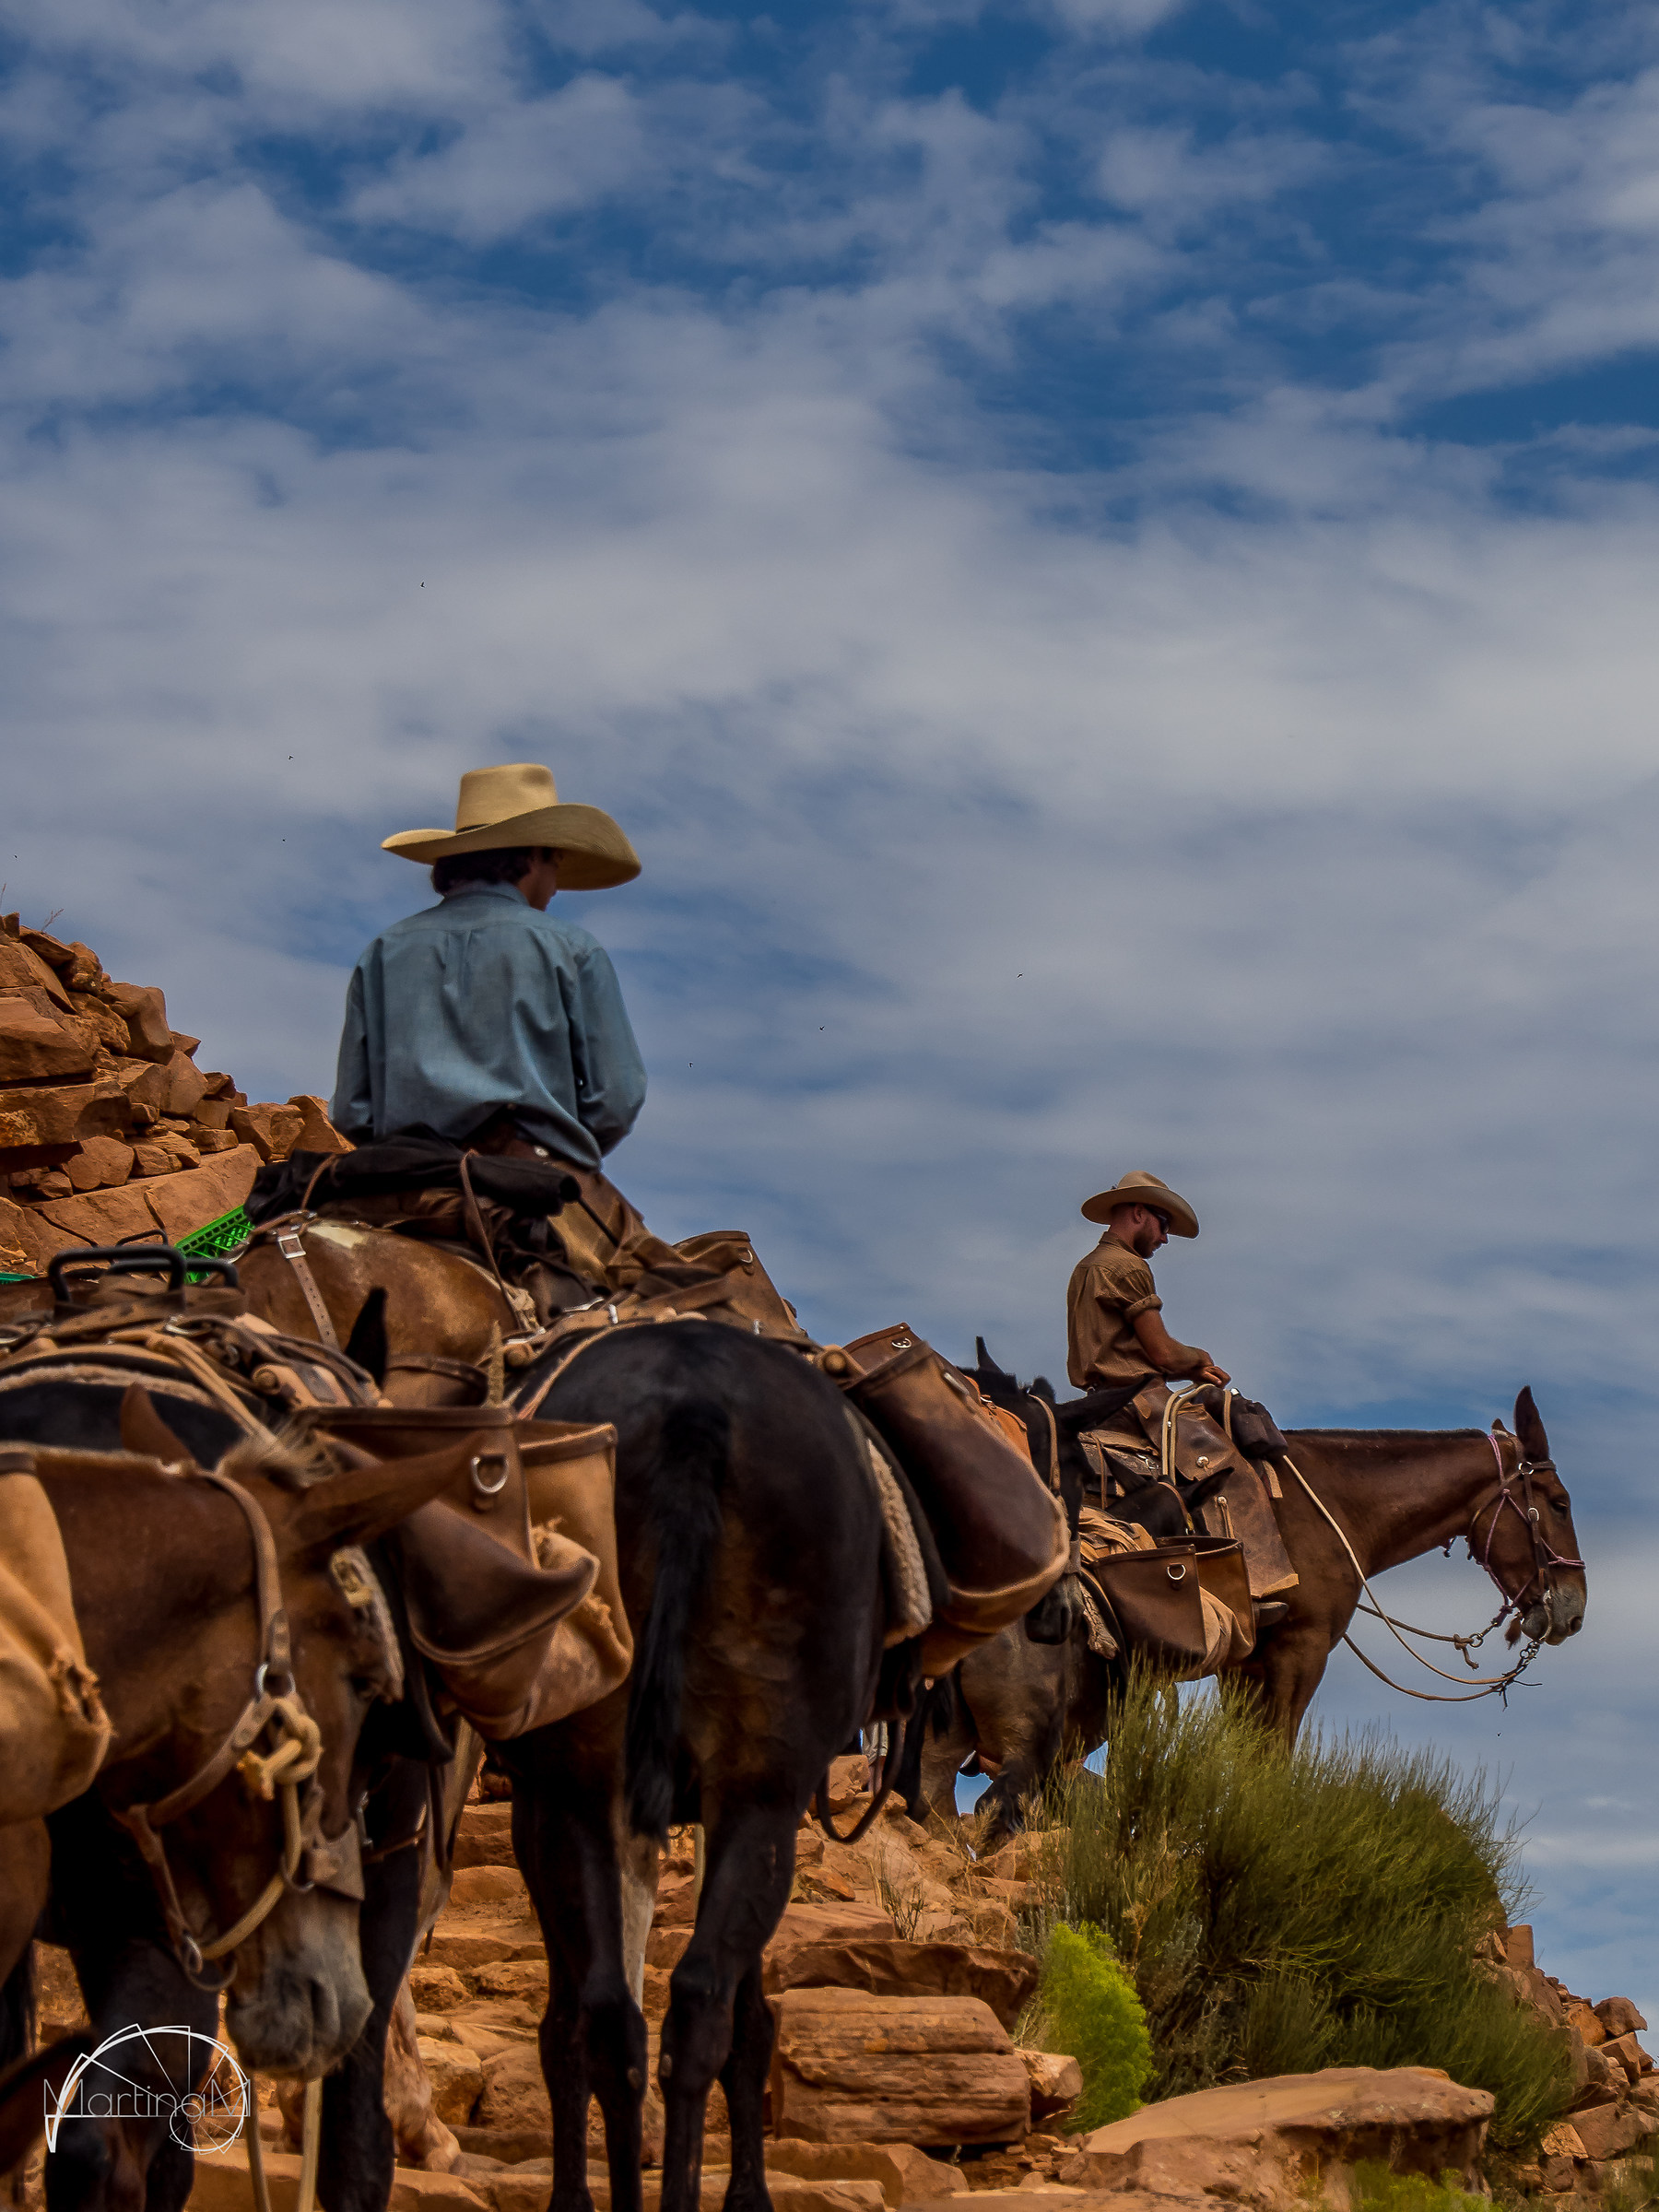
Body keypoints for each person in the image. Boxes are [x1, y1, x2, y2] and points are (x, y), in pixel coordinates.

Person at [331, 760, 688, 1297]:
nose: (556, 884)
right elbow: (617, 1096)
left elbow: (353, 1111)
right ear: (533, 859)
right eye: (557, 864)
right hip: (531, 1178)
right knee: (679, 1307)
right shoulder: (571, 949)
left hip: (396, 1185)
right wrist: (559, 1150)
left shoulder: (384, 951)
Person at [1065, 1169, 1230, 1394]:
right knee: (1239, 1416)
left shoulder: (1086, 1266)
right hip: (1139, 1402)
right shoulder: (1129, 1266)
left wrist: (1187, 1372)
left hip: (1100, 1400)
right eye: (1163, 1225)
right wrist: (1201, 1358)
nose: (1164, 1238)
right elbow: (1165, 1354)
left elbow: (1120, 1357)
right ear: (1139, 1213)